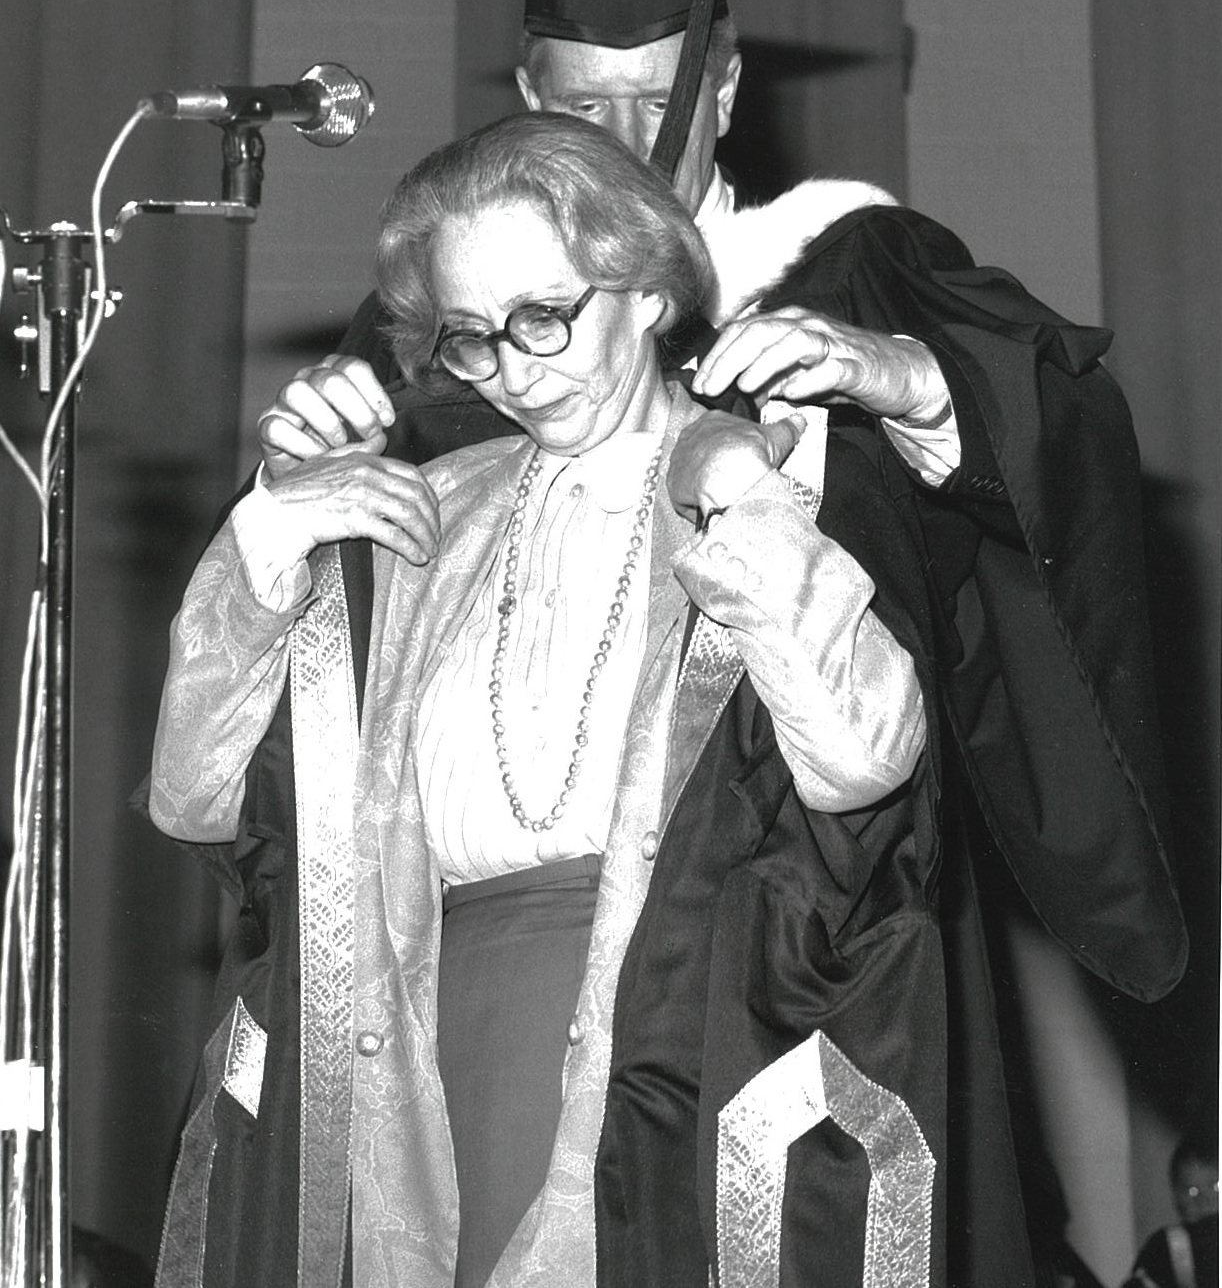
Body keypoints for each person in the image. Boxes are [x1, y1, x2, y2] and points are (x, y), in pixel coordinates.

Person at [148, 112, 944, 1288]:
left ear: (650, 290)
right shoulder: (429, 508)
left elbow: (865, 761)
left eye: (543, 317)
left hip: (680, 1050)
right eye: (470, 338)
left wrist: (739, 496)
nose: (514, 368)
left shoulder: (772, 477)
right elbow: (195, 798)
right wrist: (266, 535)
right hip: (419, 1053)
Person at [1124, 1134, 1219, 1288]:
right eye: (1192, 1191)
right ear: (1176, 1196)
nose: (1204, 1199)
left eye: (1216, 1186)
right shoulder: (1168, 1247)